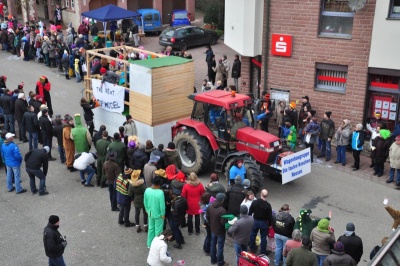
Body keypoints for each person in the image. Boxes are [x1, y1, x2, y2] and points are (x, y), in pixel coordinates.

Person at [249, 189, 273, 255]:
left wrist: (250, 219)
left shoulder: (254, 202)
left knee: (253, 234)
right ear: (267, 196)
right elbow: (270, 216)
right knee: (263, 237)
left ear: (260, 194)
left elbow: (250, 212)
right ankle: (263, 252)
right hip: (263, 222)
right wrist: (270, 224)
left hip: (255, 221)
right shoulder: (268, 205)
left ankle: (252, 248)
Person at [144, 176, 166, 248]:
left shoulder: (147, 190)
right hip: (158, 214)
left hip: (150, 213)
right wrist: (163, 214)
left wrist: (147, 210)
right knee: (158, 230)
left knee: (151, 229)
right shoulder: (160, 192)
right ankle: (157, 246)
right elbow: (162, 206)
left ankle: (149, 244)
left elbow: (145, 202)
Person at [207, 193, 228, 266]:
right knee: (220, 247)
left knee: (213, 244)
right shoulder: (222, 210)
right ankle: (220, 262)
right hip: (220, 231)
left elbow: (207, 217)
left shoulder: (210, 207)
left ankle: (213, 260)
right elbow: (223, 223)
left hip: (213, 229)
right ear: (222, 200)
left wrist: (211, 224)